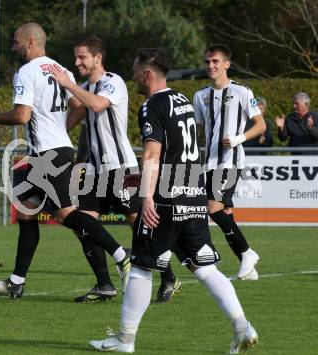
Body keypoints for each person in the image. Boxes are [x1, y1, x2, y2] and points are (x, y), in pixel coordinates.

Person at [89, 48, 258, 354]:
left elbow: (153, 153)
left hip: (166, 198)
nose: (133, 77)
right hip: (194, 194)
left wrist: (147, 197)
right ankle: (242, 326)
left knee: (140, 268)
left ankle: (125, 340)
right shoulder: (182, 99)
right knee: (205, 270)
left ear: (148, 74)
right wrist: (143, 178)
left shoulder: (151, 104)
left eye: (136, 71)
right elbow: (176, 152)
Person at [0, 23, 130, 299]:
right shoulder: (61, 70)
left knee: (67, 214)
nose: (14, 48)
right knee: (26, 212)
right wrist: (60, 132)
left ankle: (121, 255)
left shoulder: (26, 72)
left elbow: (22, 115)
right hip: (51, 151)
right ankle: (16, 280)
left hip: (47, 153)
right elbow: (79, 108)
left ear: (30, 42)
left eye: (16, 42)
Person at [50, 36, 181, 303]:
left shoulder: (113, 81)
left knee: (140, 224)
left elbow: (97, 104)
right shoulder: (85, 87)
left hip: (122, 168)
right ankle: (104, 284)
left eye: (82, 57)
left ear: (98, 57)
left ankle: (169, 277)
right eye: (75, 58)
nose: (77, 63)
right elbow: (76, 115)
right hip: (95, 171)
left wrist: (68, 84)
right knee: (83, 224)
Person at [193, 44, 266, 280]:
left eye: (215, 61)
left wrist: (238, 138)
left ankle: (247, 253)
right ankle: (248, 268)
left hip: (231, 162)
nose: (211, 66)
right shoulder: (200, 95)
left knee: (211, 208)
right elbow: (199, 133)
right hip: (209, 163)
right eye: (207, 62)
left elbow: (261, 125)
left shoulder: (243, 92)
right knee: (221, 210)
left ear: (226, 64)